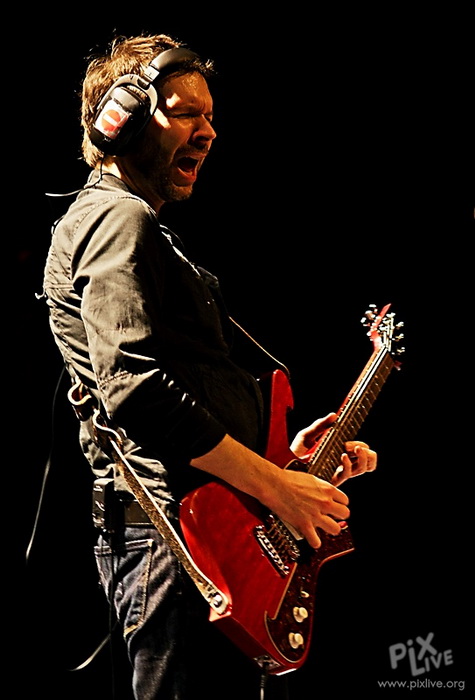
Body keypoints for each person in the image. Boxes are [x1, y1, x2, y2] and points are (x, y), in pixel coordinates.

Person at [42, 33, 377, 700]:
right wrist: (277, 488)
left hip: (198, 535)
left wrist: (282, 458)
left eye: (212, 116)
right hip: (172, 539)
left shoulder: (130, 223)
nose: (209, 132)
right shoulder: (117, 219)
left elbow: (178, 392)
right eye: (186, 113)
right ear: (123, 119)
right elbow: (135, 390)